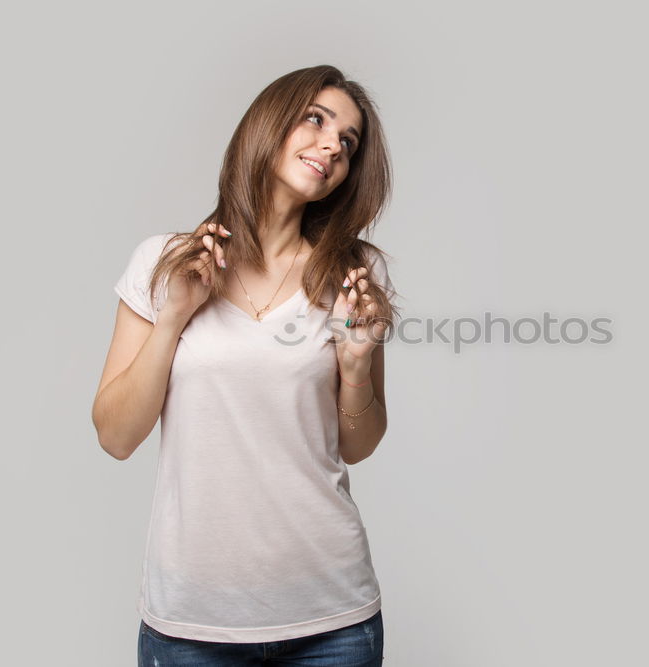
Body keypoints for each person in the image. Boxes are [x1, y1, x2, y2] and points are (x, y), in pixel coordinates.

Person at [91, 65, 399, 666]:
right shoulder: (164, 262)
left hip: (332, 619)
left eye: (349, 141)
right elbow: (115, 436)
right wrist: (175, 317)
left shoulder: (353, 274)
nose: (333, 144)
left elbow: (358, 444)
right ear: (269, 122)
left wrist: (356, 366)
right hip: (191, 623)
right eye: (316, 119)